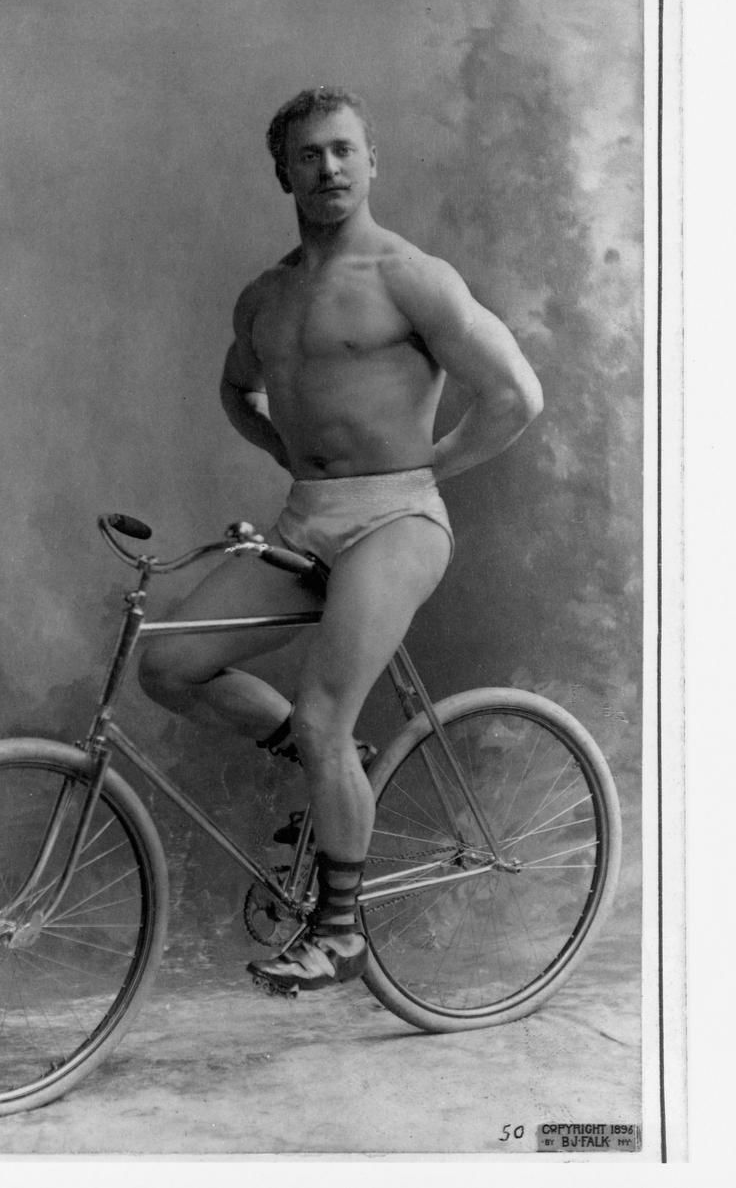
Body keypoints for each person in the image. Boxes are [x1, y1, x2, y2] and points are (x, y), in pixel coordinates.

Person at [138, 86, 543, 993]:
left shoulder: (411, 276)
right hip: (307, 518)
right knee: (166, 665)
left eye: (344, 149)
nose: (328, 167)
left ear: (372, 161)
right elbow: (237, 389)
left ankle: (341, 931)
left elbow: (516, 395)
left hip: (399, 519)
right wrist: (283, 449)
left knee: (326, 711)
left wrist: (433, 466)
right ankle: (333, 764)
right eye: (309, 154)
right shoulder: (266, 296)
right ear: (282, 172)